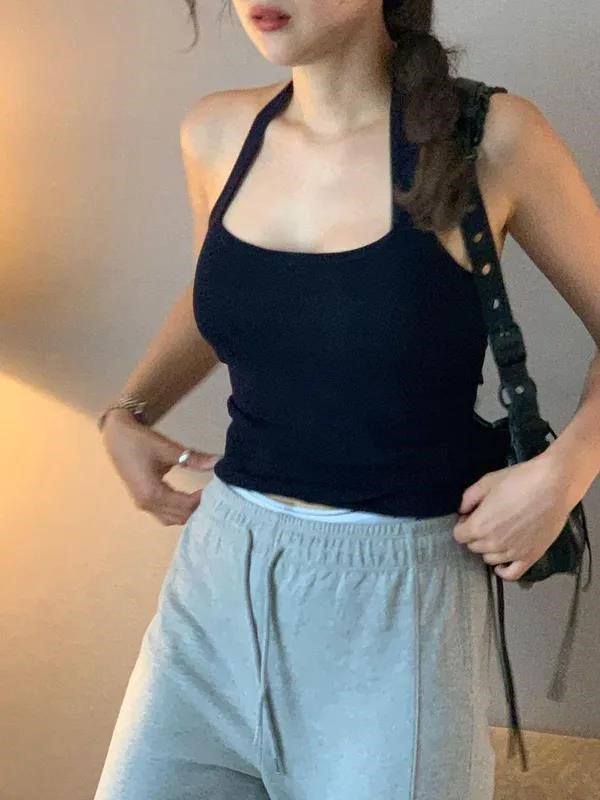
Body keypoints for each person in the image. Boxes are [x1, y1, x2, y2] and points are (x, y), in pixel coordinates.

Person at [94, 1, 600, 799]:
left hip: (399, 608)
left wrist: (567, 471)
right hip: (216, 586)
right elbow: (228, 296)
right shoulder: (215, 134)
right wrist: (128, 410)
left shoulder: (493, 139)